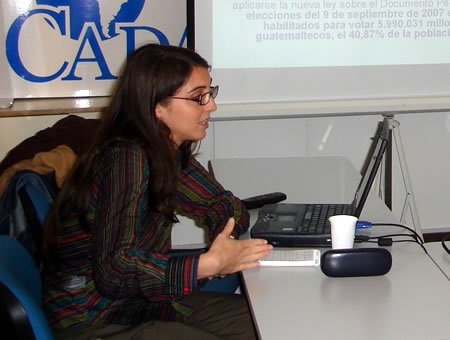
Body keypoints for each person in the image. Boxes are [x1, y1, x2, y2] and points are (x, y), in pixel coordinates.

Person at [41, 43, 272, 340]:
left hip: (144, 303)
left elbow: (224, 204)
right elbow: (115, 271)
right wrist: (209, 264)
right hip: (95, 319)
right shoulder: (126, 158)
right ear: (158, 107)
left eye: (210, 93)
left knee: (270, 323)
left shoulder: (165, 152)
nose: (211, 105)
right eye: (198, 97)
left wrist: (222, 240)